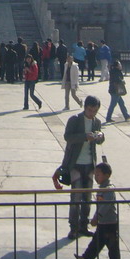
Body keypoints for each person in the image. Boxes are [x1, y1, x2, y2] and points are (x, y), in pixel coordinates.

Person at [54, 95, 105, 239]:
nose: (92, 113)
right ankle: (73, 227)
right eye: (90, 110)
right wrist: (84, 137)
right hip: (75, 164)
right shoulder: (75, 120)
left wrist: (100, 136)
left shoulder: (97, 122)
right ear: (85, 108)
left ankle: (84, 225)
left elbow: (99, 141)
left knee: (87, 197)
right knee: (76, 197)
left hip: (90, 164)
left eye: (95, 111)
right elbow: (68, 137)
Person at [73, 160, 120, 259]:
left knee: (112, 245)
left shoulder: (108, 189)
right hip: (103, 222)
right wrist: (96, 217)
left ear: (106, 175)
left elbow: (105, 206)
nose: (96, 177)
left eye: (98, 175)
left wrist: (97, 217)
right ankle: (86, 258)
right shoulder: (101, 189)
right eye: (95, 175)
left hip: (110, 223)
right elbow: (99, 206)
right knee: (97, 241)